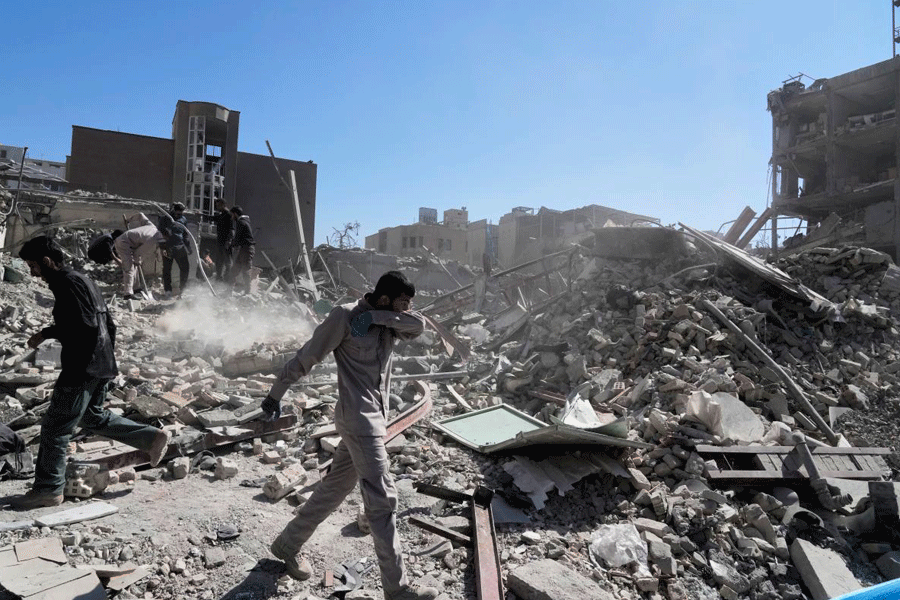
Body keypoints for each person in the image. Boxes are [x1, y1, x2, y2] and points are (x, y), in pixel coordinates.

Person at [262, 271, 438, 600]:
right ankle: (397, 590)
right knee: (383, 502)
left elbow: (420, 325)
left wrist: (378, 316)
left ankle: (287, 544)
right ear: (385, 297)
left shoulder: (390, 320)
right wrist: (275, 394)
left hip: (372, 421)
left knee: (335, 488)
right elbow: (307, 356)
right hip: (358, 420)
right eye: (401, 303)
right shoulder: (344, 316)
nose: (405, 311)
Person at [8, 236, 170, 510]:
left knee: (55, 428)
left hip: (83, 367)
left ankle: (47, 490)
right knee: (91, 417)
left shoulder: (66, 283)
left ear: (47, 262)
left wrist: (48, 333)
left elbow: (83, 326)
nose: (33, 273)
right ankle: (150, 438)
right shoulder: (84, 280)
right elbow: (108, 324)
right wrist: (107, 362)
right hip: (101, 363)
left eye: (34, 266)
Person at [114, 213, 163, 299]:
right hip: (123, 243)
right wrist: (138, 260)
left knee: (135, 266)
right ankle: (128, 294)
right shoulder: (153, 240)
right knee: (129, 268)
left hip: (130, 242)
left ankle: (136, 288)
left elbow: (140, 215)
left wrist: (129, 220)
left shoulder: (153, 227)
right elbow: (138, 254)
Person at [159, 203, 193, 298]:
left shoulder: (183, 219)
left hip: (180, 248)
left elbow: (185, 234)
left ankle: (182, 290)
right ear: (173, 210)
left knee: (185, 268)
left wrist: (188, 247)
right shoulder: (165, 219)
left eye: (181, 214)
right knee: (167, 269)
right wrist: (162, 247)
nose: (179, 216)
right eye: (177, 214)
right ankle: (168, 291)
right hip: (168, 247)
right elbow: (159, 234)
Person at [228, 206, 255, 293]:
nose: (232, 217)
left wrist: (232, 244)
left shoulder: (241, 222)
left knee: (245, 270)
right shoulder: (244, 221)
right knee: (235, 270)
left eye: (232, 215)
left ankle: (248, 292)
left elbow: (237, 237)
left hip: (246, 249)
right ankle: (229, 289)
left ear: (235, 214)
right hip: (244, 249)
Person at [213, 199, 233, 281]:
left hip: (225, 241)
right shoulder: (222, 215)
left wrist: (228, 240)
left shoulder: (228, 215)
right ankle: (219, 277)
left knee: (227, 261)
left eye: (219, 205)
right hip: (220, 241)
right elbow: (214, 218)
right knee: (219, 260)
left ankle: (227, 278)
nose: (217, 207)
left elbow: (231, 229)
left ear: (224, 205)